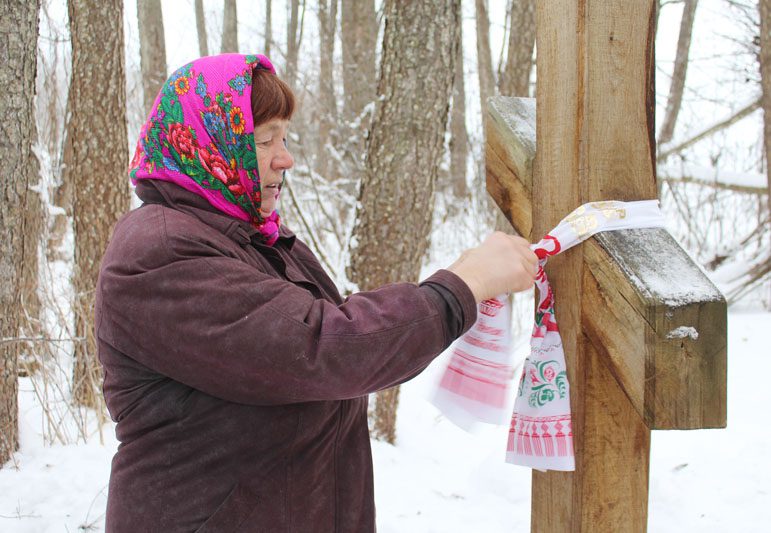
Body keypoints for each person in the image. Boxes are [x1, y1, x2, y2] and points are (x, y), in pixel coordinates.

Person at [96, 53, 536, 532]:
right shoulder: (160, 253)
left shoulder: (255, 239)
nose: (285, 157)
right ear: (206, 146)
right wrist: (460, 287)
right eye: (265, 140)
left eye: (284, 137)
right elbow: (324, 346)